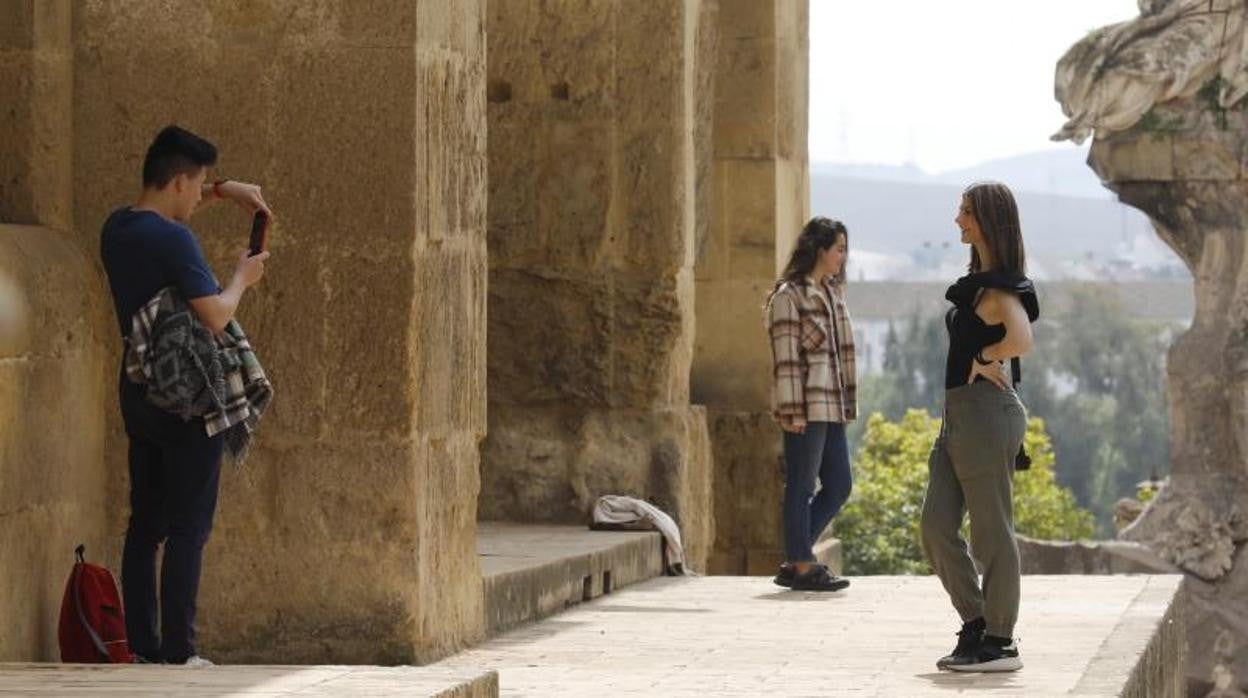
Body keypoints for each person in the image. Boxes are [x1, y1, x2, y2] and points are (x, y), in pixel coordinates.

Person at [99, 125, 272, 666]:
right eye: (197, 187)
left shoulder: (117, 228)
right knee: (189, 527)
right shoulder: (174, 240)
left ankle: (145, 648)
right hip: (189, 397)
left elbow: (172, 201)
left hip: (140, 389)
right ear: (177, 181)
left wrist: (222, 189)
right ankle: (181, 652)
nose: (200, 197)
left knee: (145, 525)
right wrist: (242, 277)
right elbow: (217, 316)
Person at [920, 182, 1039, 673]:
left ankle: (1000, 641)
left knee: (992, 532)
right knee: (935, 526)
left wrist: (984, 356)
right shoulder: (982, 283)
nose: (958, 220)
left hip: (987, 415)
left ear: (988, 220)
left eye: (966, 212)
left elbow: (1023, 339)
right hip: (961, 416)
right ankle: (976, 622)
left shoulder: (1002, 288)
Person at [764, 217, 857, 592]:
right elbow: (785, 360)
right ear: (820, 250)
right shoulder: (788, 297)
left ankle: (796, 556)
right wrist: (792, 411)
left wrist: (848, 404)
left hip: (833, 408)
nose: (843, 257)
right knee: (801, 486)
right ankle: (802, 562)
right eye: (839, 249)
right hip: (805, 408)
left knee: (839, 485)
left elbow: (842, 356)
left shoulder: (833, 295)